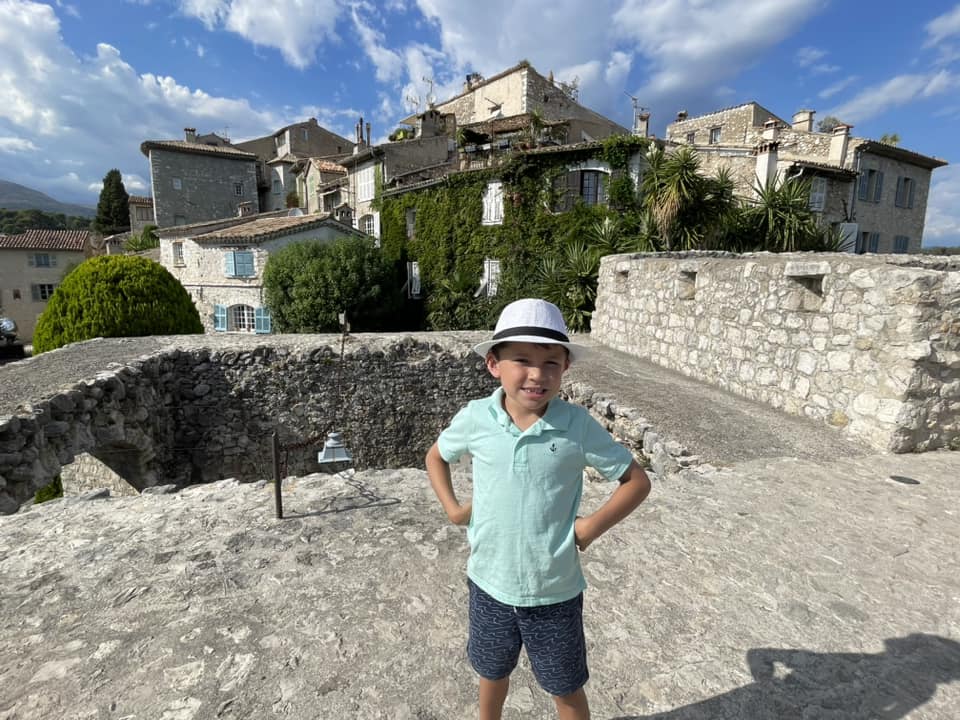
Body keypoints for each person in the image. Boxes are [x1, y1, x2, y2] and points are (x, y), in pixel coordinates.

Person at [426, 298, 651, 720]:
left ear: (566, 367)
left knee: (565, 687)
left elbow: (636, 481)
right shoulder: (476, 417)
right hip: (489, 581)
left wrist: (588, 528)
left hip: (555, 590)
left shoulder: (577, 425)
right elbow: (436, 456)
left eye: (551, 362)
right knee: (491, 673)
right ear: (494, 364)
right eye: (522, 360)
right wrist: (455, 510)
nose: (537, 374)